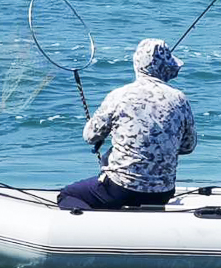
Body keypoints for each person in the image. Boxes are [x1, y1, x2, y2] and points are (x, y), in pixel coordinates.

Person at [58, 39, 196, 210]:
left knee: (67, 194)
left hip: (120, 188)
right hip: (164, 192)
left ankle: (93, 229)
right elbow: (188, 146)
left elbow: (89, 136)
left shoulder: (119, 96)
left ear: (137, 64)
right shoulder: (180, 99)